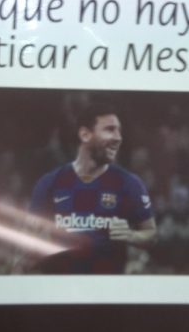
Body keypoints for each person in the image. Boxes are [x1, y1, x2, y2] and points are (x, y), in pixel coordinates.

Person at [28, 102, 156, 274]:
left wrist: (131, 235)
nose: (118, 137)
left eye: (119, 131)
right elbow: (29, 237)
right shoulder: (50, 182)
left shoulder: (129, 183)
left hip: (107, 286)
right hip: (61, 285)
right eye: (110, 129)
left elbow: (151, 234)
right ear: (85, 134)